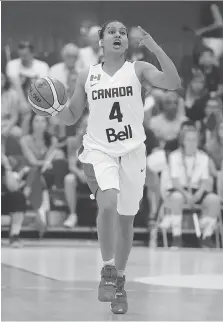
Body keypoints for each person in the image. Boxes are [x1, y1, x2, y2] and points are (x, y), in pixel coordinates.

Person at [34, 21, 181, 314]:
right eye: (111, 31)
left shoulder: (138, 69)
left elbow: (173, 82)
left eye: (122, 32)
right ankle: (107, 268)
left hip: (133, 152)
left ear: (127, 43)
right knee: (108, 201)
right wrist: (52, 109)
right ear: (100, 41)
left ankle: (121, 281)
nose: (118, 34)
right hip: (100, 150)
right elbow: (72, 115)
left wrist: (154, 49)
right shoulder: (88, 75)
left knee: (126, 220)